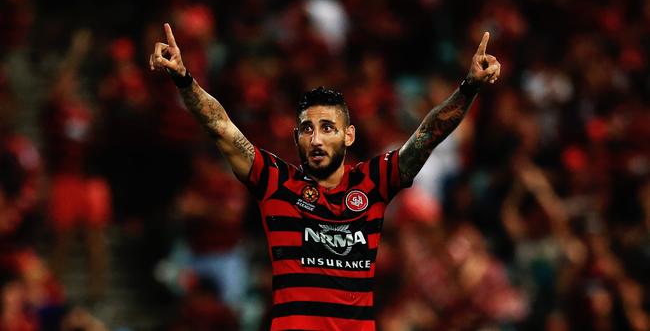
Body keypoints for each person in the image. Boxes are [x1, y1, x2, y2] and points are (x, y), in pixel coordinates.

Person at [149, 23, 500, 331]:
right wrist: (183, 78)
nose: (316, 139)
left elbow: (429, 133)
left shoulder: (374, 181)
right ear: (296, 137)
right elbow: (220, 126)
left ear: (348, 135)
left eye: (327, 128)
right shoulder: (275, 181)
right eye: (307, 129)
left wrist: (469, 86)